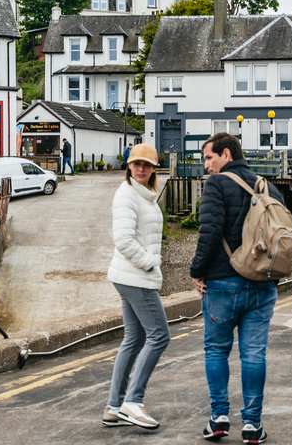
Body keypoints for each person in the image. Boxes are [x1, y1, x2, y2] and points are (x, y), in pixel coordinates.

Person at [190, 132, 283, 444]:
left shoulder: (217, 185)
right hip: (262, 284)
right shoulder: (267, 186)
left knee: (217, 349)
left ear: (226, 155)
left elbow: (210, 230)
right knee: (253, 354)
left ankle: (218, 419)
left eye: (208, 158)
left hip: (222, 284)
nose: (206, 166)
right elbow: (280, 237)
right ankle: (252, 425)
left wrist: (196, 271)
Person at [102, 143, 170, 430]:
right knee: (160, 335)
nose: (141, 169)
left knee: (134, 339)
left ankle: (114, 407)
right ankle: (133, 401)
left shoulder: (146, 195)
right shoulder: (127, 195)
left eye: (147, 164)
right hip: (135, 277)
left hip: (130, 276)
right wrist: (150, 263)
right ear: (128, 166)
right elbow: (124, 240)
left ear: (154, 168)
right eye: (136, 164)